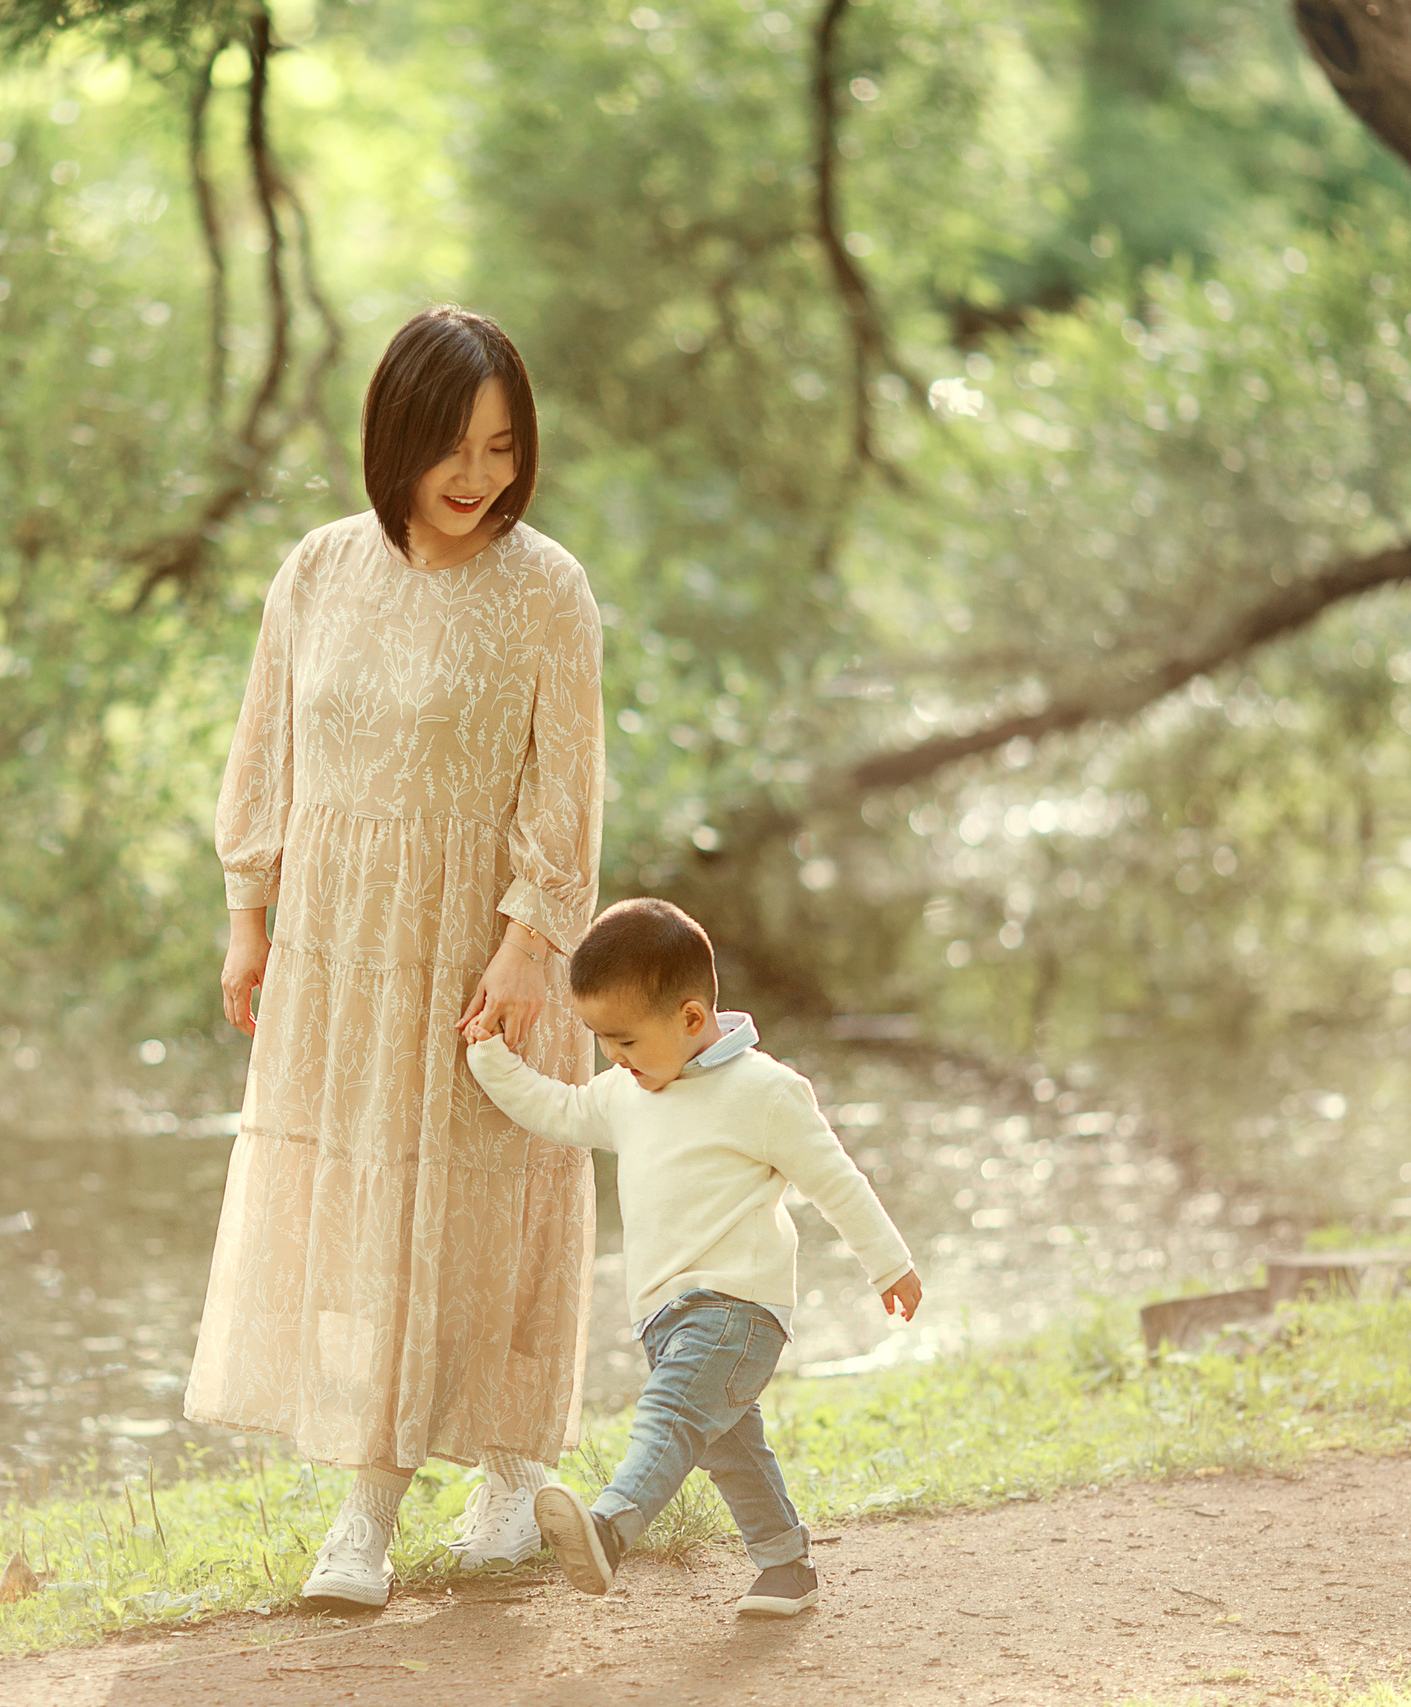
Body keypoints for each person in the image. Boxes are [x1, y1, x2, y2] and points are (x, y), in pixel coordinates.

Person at [187, 306, 606, 1610]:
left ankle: (468, 1477)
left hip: (485, 945)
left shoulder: (549, 586)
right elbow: (267, 744)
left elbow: (568, 782)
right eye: (452, 445)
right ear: (397, 440)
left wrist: (534, 938)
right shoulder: (317, 569)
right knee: (367, 1209)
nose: (477, 474)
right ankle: (396, 1487)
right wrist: (248, 911)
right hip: (340, 943)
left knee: (487, 1203)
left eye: (502, 444)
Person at [464, 897, 922, 1618]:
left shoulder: (763, 1090)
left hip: (739, 1309)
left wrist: (888, 1263)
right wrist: (487, 1053)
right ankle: (785, 1565)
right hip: (664, 1317)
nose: (614, 1057)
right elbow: (553, 1108)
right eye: (602, 1042)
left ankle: (611, 1527)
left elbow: (835, 1178)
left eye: (626, 1040)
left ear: (689, 1018)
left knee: (671, 1413)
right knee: (729, 1447)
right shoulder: (626, 1091)